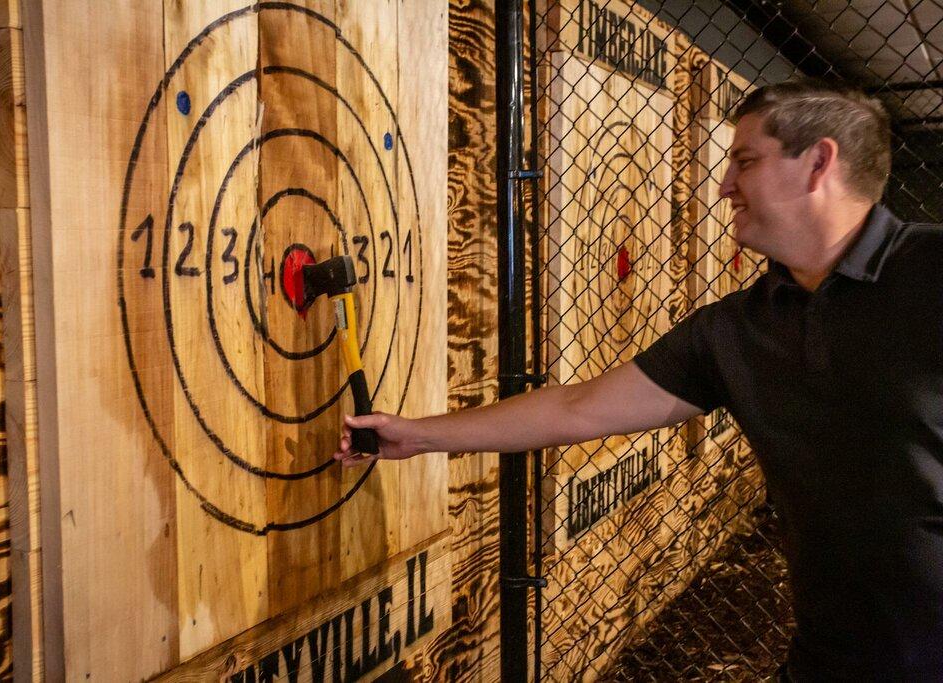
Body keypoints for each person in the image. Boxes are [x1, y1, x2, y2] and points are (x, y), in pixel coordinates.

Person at [333, 80, 943, 681]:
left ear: (818, 162)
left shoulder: (930, 273)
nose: (726, 186)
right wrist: (415, 435)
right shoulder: (738, 329)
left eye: (746, 161)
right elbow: (579, 409)